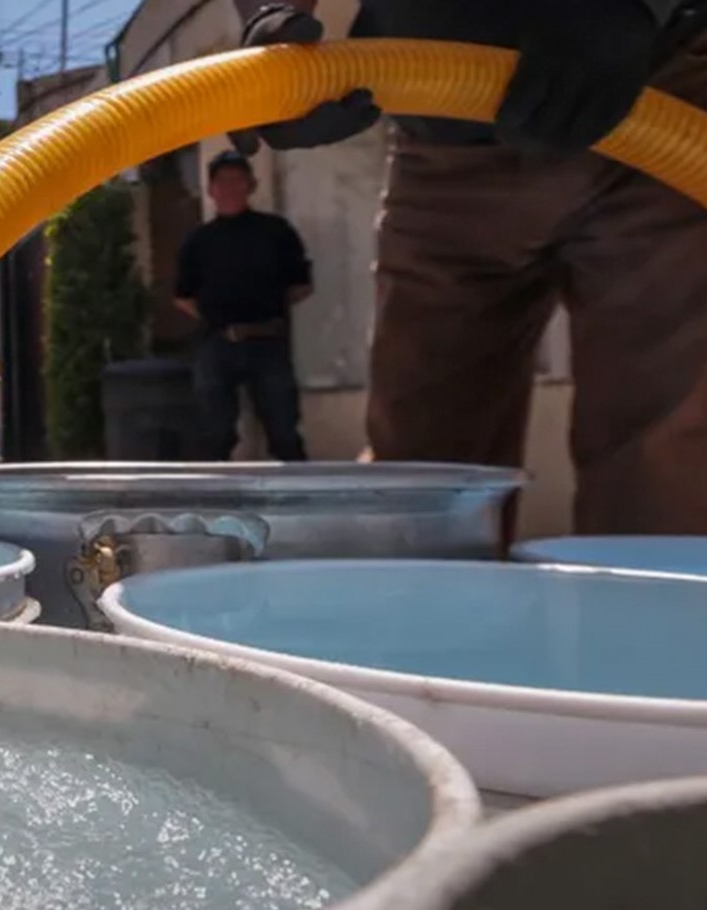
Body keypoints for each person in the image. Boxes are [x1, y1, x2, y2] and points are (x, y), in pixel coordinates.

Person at [227, 0, 707, 534]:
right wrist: (275, 25)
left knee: (662, 475)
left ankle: (661, 613)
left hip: (653, 93)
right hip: (442, 134)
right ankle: (438, 614)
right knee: (422, 481)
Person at [173, 149, 314, 461]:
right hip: (217, 344)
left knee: (284, 432)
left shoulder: (276, 231)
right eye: (223, 181)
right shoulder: (198, 240)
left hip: (269, 343)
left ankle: (300, 501)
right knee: (215, 434)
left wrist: (264, 313)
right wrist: (219, 319)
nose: (230, 188)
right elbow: (182, 296)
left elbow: (302, 285)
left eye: (238, 180)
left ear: (251, 185)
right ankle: (214, 502)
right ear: (211, 190)